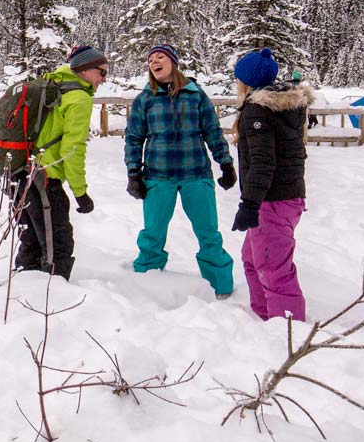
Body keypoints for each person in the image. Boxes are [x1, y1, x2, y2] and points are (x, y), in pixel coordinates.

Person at [124, 44, 237, 298]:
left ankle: (221, 287)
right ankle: (145, 284)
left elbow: (212, 131)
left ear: (173, 62)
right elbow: (133, 138)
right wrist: (134, 173)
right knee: (153, 233)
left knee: (208, 233)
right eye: (150, 59)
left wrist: (226, 163)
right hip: (157, 176)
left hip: (196, 174)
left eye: (160, 57)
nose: (154, 62)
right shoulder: (145, 99)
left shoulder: (195, 94)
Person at [232, 47, 314, 321]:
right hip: (284, 197)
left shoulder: (257, 110)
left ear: (246, 81)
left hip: (273, 200)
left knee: (273, 268)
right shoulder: (282, 106)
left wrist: (250, 204)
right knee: (252, 260)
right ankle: (264, 316)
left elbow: (263, 162)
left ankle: (287, 332)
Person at [14, 45, 108, 280]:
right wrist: (80, 192)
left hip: (18, 171)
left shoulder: (52, 86)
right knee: (58, 242)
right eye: (102, 72)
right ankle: (54, 294)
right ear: (84, 70)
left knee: (32, 238)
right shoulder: (78, 98)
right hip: (44, 176)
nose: (104, 79)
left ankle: (23, 290)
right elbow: (72, 150)